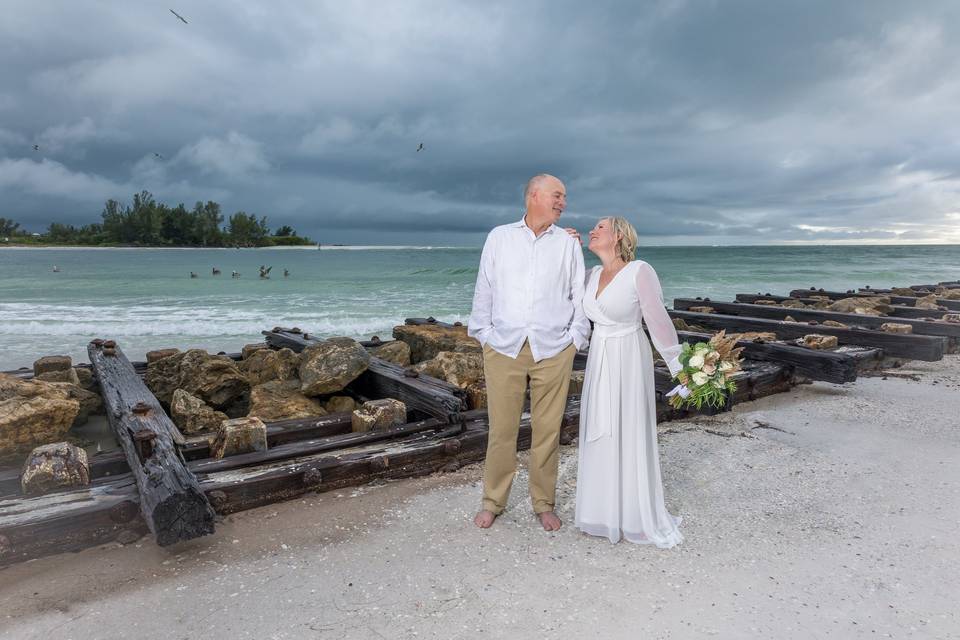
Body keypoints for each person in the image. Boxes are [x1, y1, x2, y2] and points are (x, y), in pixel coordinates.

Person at [468, 174, 591, 531]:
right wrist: (484, 335)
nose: (563, 203)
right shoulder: (499, 237)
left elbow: (577, 294)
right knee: (502, 430)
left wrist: (575, 339)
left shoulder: (568, 244)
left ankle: (543, 502)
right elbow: (484, 289)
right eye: (558, 195)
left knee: (548, 431)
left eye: (564, 197)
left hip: (554, 349)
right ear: (534, 195)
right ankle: (493, 501)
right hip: (504, 348)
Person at [575, 216, 685, 547]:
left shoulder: (640, 271)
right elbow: (574, 317)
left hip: (628, 355)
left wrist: (682, 368)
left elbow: (657, 320)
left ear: (619, 236)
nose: (592, 231)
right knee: (601, 428)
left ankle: (635, 516)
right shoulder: (590, 275)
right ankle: (601, 513)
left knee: (628, 427)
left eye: (600, 227)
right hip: (600, 356)